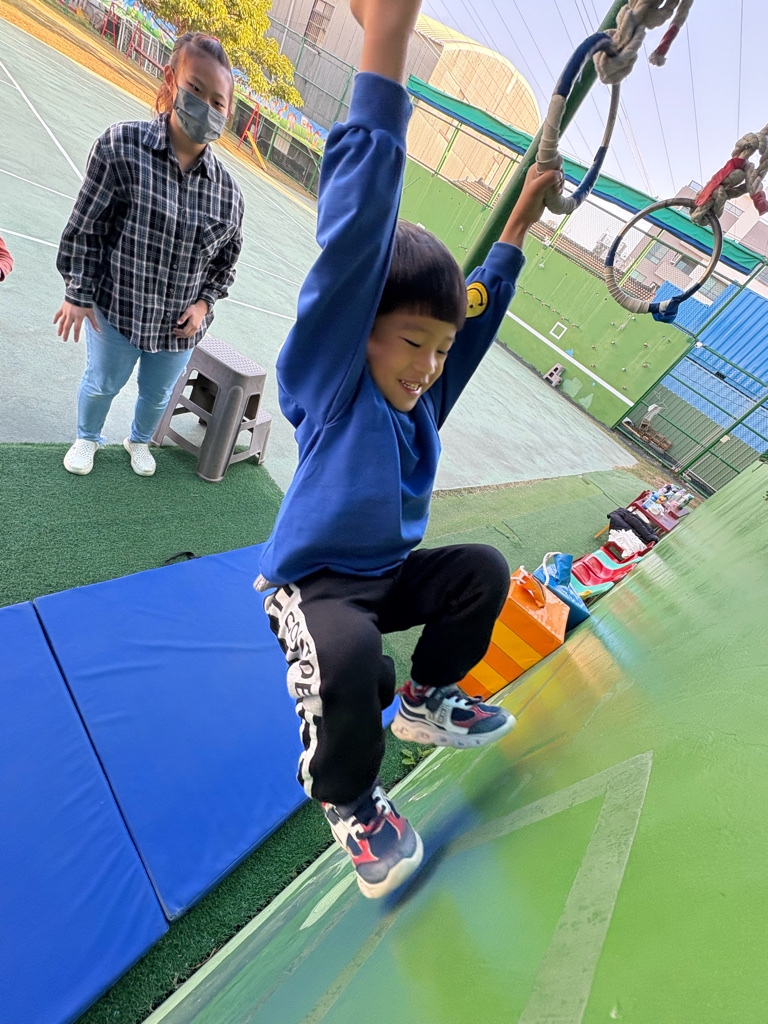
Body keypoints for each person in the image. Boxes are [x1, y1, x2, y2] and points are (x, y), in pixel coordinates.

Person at [256, 0, 561, 899]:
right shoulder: (335, 380)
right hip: (315, 591)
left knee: (481, 571)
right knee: (351, 661)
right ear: (362, 333)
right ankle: (349, 801)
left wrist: (518, 224)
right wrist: (384, 41)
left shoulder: (420, 398)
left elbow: (475, 320)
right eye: (411, 342)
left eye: (439, 348)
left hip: (387, 578)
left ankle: (425, 701)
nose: (429, 366)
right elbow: (355, 238)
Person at [55, 33, 243, 477]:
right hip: (117, 310)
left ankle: (138, 441)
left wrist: (203, 305)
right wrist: (78, 293)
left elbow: (224, 265)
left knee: (157, 394)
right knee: (102, 382)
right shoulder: (121, 146)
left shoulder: (229, 195)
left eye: (217, 102)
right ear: (171, 79)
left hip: (178, 329)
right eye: (195, 89)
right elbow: (86, 228)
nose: (205, 106)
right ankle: (87, 437)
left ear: (227, 113)